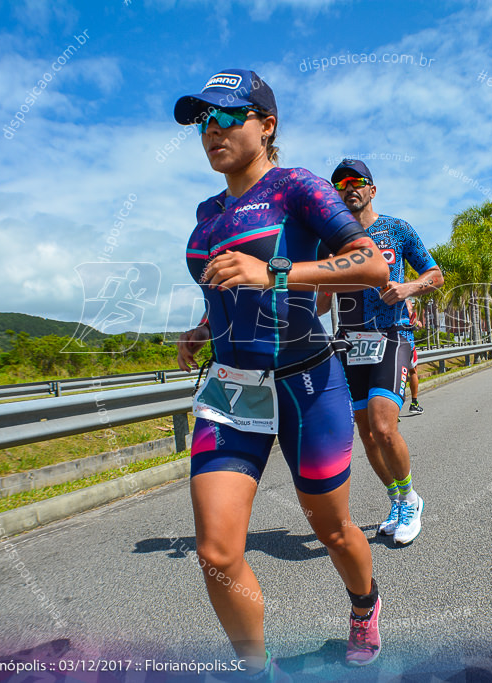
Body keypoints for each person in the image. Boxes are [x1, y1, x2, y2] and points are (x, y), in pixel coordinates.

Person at [173, 70, 389, 675]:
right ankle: (255, 668)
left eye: (226, 117)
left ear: (266, 125)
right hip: (231, 391)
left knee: (333, 529)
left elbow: (369, 263)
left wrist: (275, 274)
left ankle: (364, 603)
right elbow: (228, 280)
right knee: (216, 552)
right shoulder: (208, 211)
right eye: (201, 122)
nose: (211, 131)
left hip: (307, 385)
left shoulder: (297, 188)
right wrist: (203, 325)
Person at [318, 158, 443, 545]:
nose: (347, 188)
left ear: (372, 189)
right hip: (349, 341)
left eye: (356, 181)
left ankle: (410, 500)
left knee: (384, 426)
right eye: (339, 184)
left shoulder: (397, 229)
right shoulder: (332, 243)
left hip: (392, 334)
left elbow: (435, 275)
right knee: (367, 435)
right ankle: (397, 498)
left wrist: (407, 289)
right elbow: (321, 302)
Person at [406, 298, 424, 414]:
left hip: (387, 342)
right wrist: (416, 323)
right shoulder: (404, 300)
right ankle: (414, 403)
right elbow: (413, 320)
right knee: (413, 372)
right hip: (407, 342)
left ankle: (393, 410)